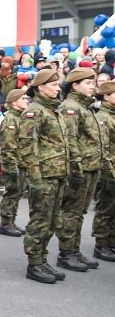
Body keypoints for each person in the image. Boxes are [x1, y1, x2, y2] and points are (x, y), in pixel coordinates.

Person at [19, 69, 70, 284]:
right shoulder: (34, 112)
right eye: (53, 85)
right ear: (40, 87)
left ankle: (43, 258)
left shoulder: (54, 111)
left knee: (51, 221)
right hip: (44, 176)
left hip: (57, 173)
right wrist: (36, 179)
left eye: (58, 85)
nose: (58, 88)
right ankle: (34, 263)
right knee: (40, 220)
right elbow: (28, 147)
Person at [56, 67, 102, 272]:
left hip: (91, 166)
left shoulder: (86, 107)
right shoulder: (71, 107)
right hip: (80, 167)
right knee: (72, 211)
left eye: (93, 82)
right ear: (75, 85)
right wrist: (75, 169)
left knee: (80, 211)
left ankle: (74, 250)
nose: (92, 86)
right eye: (87, 83)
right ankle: (65, 253)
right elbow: (70, 140)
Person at [0, 88, 30, 237]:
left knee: (17, 193)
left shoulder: (20, 117)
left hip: (22, 161)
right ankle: (5, 223)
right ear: (14, 102)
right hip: (14, 162)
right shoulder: (11, 119)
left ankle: (11, 221)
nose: (26, 100)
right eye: (23, 98)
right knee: (11, 193)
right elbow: (8, 146)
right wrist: (11, 167)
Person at [91, 81, 115, 262]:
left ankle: (110, 242)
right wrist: (109, 172)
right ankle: (101, 244)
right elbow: (103, 148)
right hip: (108, 169)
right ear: (106, 96)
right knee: (105, 208)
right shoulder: (103, 117)